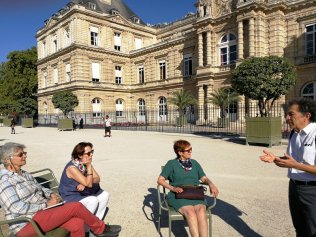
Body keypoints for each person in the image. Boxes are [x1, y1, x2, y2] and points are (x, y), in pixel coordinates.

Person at [0, 142, 121, 237]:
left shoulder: (24, 174)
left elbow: (41, 188)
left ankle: (98, 229)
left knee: (77, 223)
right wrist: (45, 204)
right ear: (8, 159)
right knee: (75, 207)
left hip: (42, 213)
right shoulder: (5, 180)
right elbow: (15, 207)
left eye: (24, 153)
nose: (25, 156)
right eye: (21, 154)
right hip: (26, 223)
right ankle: (101, 229)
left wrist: (51, 194)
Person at [260, 98, 316, 237]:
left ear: (307, 116)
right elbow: (294, 160)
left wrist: (295, 165)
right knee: (300, 229)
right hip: (294, 187)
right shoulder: (294, 133)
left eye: (291, 114)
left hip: (312, 191)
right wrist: (276, 159)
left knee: (313, 230)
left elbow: (296, 163)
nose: (287, 118)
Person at [157, 139, 219, 237]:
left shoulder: (195, 163)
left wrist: (211, 184)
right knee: (191, 213)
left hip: (195, 194)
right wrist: (173, 188)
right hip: (178, 194)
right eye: (188, 150)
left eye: (191, 149)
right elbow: (160, 180)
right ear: (180, 152)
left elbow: (203, 178)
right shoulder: (171, 164)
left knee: (201, 212)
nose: (190, 151)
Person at [59, 142, 110, 222]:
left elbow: (97, 178)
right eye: (88, 153)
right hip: (70, 196)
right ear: (80, 155)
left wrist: (85, 182)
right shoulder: (72, 168)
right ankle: (86, 227)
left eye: (92, 152)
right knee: (93, 200)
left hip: (83, 193)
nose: (91, 155)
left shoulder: (84, 163)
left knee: (105, 195)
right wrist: (89, 167)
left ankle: (97, 223)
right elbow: (89, 184)